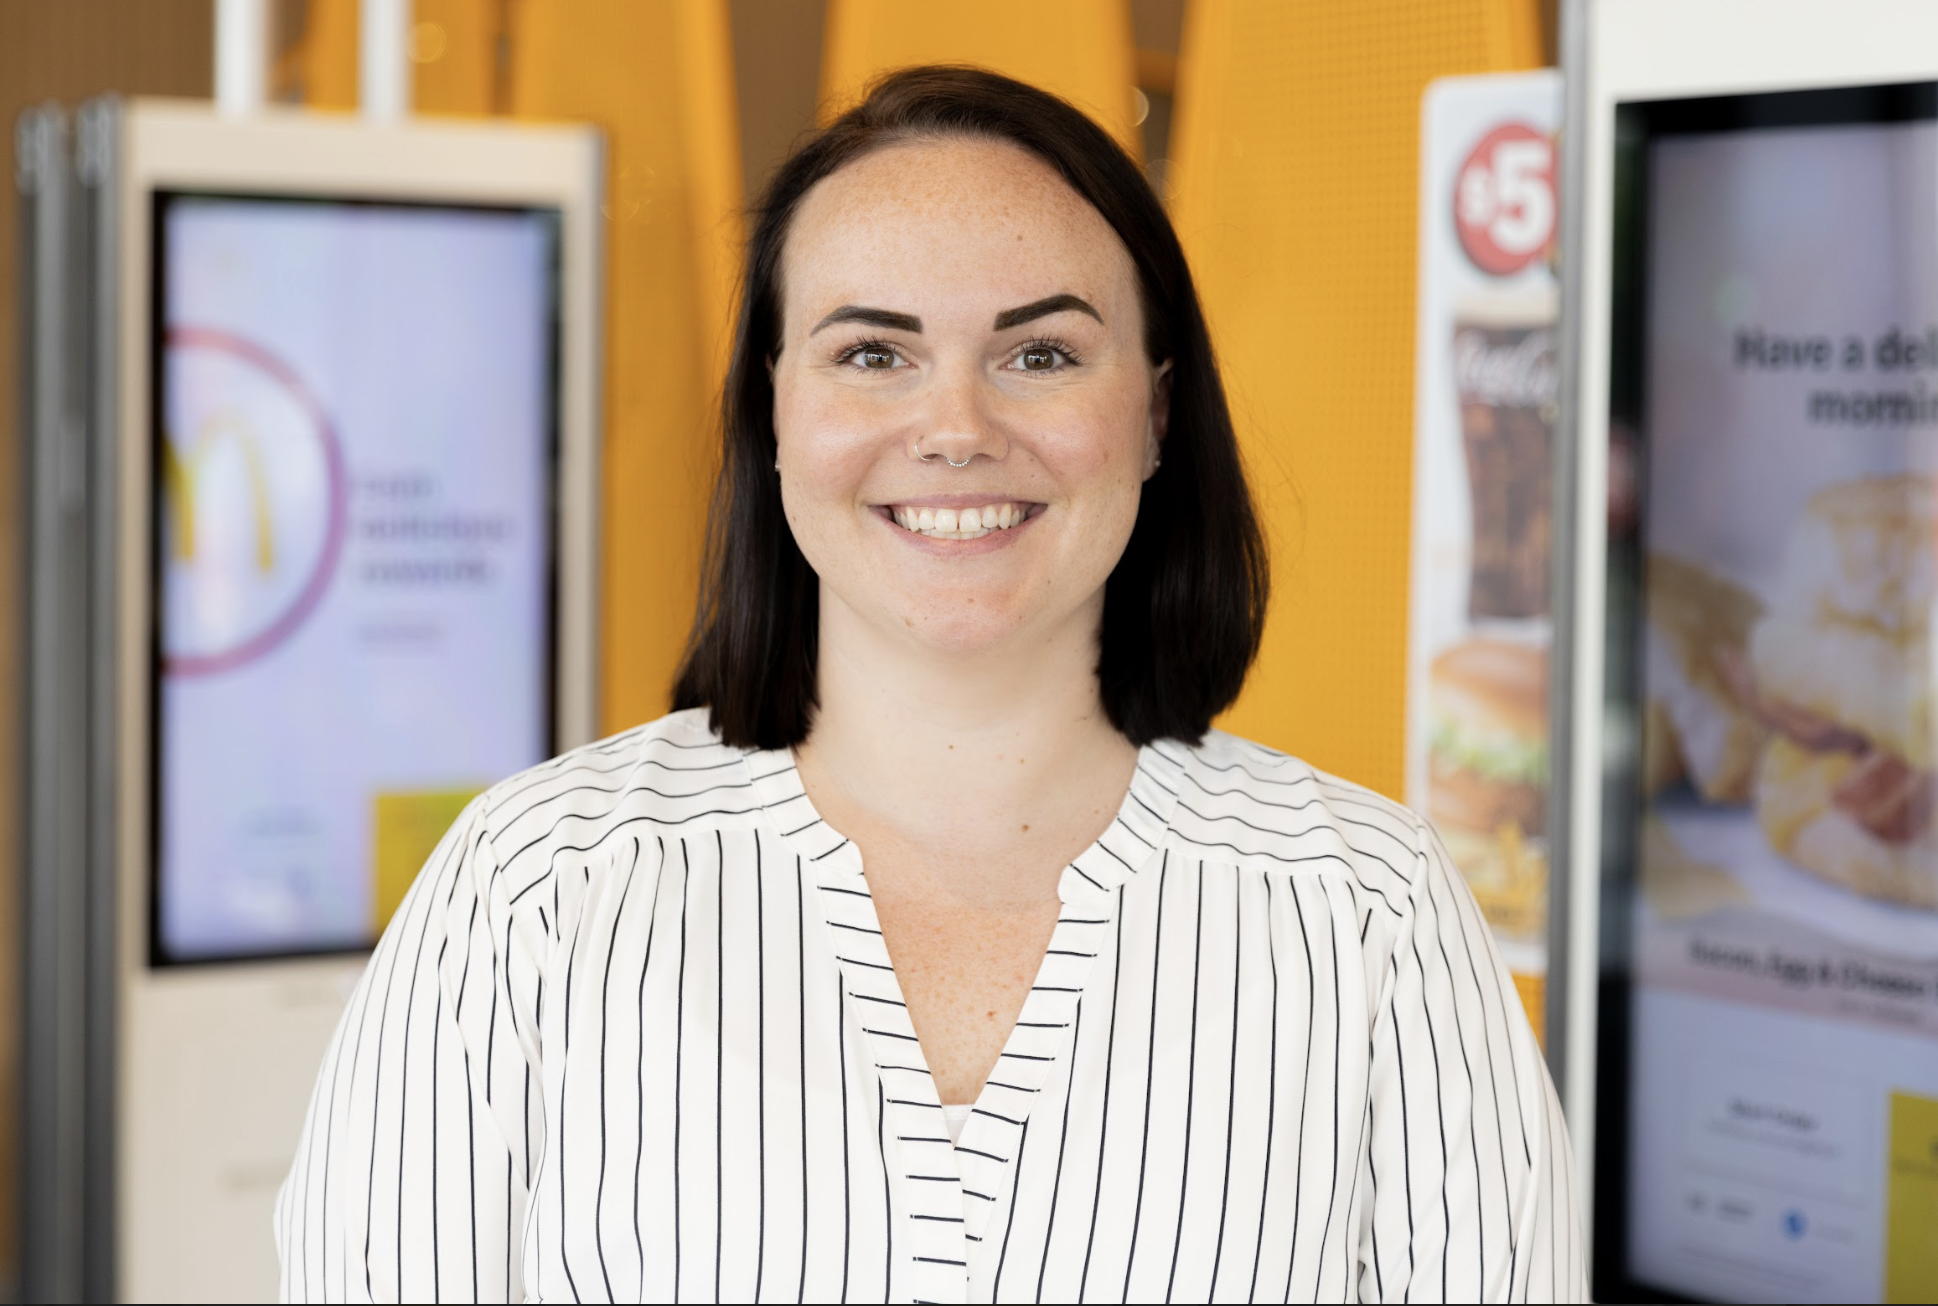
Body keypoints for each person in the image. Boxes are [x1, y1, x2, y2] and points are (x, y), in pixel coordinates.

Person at [275, 66, 1583, 1303]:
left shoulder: (1370, 912)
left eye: (1041, 353)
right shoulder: (535, 888)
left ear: (1155, 415)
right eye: (870, 354)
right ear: (770, 414)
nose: (955, 427)